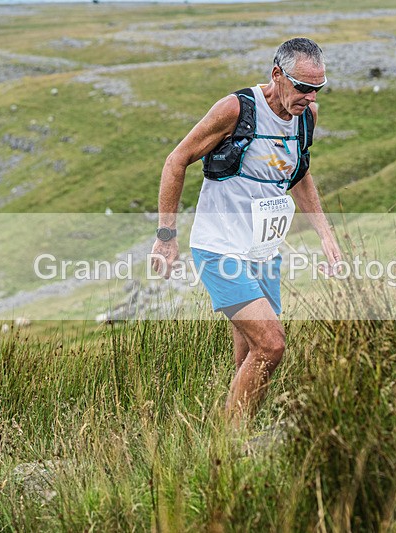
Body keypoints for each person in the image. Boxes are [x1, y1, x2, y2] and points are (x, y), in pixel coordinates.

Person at [150, 37, 342, 424]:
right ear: (277, 75)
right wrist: (166, 237)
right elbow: (176, 160)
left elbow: (299, 175)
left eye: (317, 89)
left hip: (264, 253)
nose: (309, 97)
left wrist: (326, 235)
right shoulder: (237, 109)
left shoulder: (307, 118)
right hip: (220, 250)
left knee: (251, 357)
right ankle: (230, 443)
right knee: (272, 346)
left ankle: (233, 446)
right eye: (303, 87)